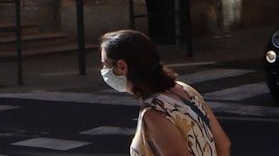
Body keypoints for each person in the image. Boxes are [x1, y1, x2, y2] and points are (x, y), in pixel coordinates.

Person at [99, 29, 231, 156]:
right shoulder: (184, 89)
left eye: (105, 65)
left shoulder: (154, 113)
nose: (104, 70)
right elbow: (223, 145)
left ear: (122, 66)